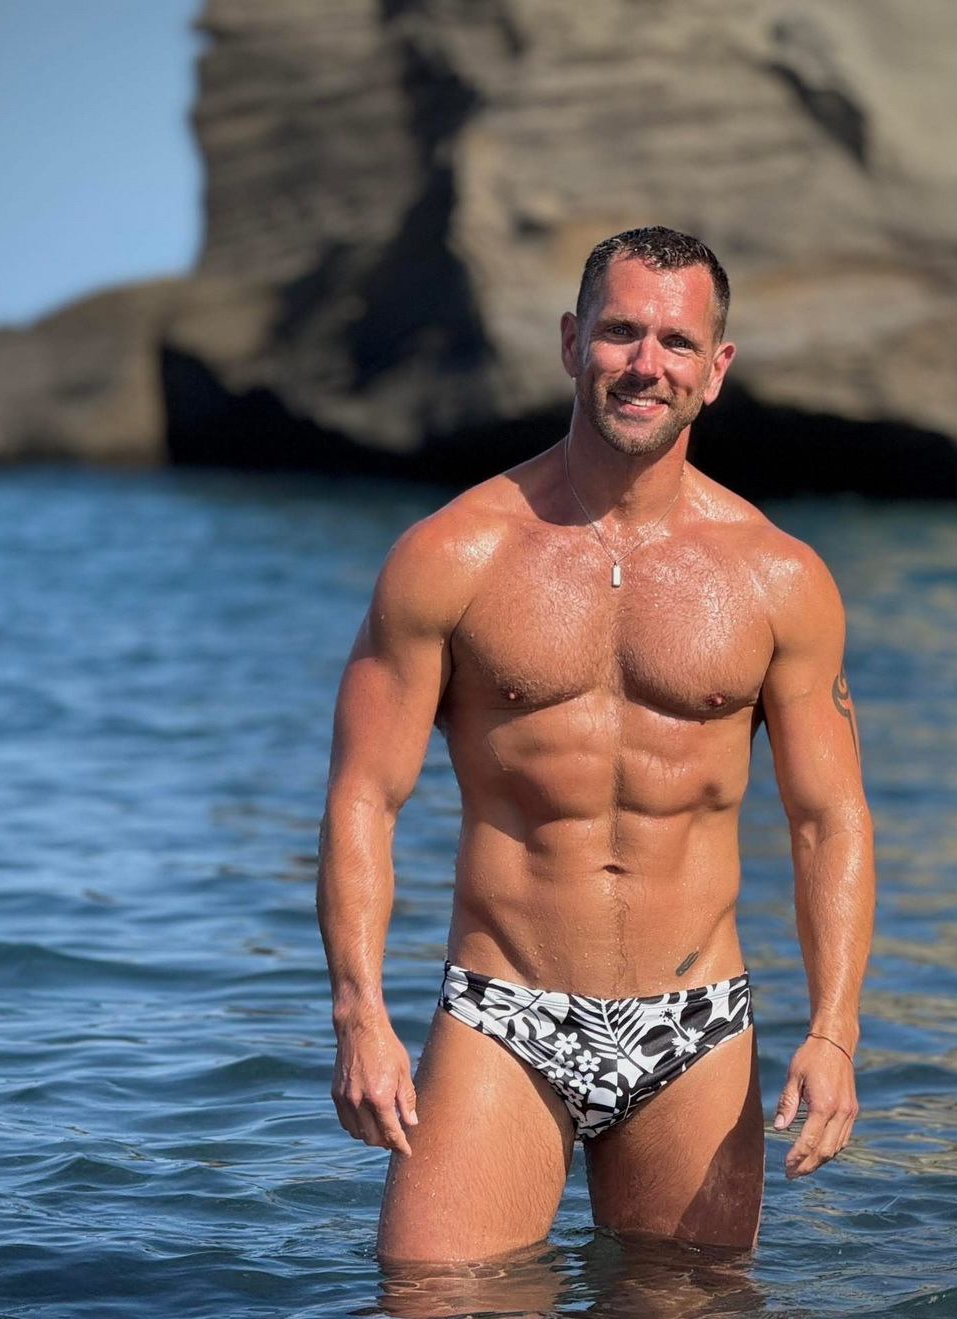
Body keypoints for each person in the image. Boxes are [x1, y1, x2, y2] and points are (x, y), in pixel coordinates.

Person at [317, 226, 873, 1263]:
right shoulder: (452, 555)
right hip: (504, 1011)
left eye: (676, 341)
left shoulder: (780, 577)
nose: (646, 363)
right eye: (621, 332)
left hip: (696, 1021)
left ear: (716, 368)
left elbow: (827, 819)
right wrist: (359, 1014)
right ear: (573, 341)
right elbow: (363, 796)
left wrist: (834, 1032)